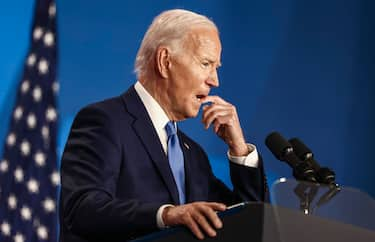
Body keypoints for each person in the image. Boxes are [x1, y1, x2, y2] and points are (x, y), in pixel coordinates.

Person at [59, 9, 269, 242]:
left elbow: (250, 225)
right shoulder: (105, 121)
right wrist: (165, 215)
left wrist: (239, 150)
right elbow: (81, 209)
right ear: (164, 61)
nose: (214, 80)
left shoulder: (194, 156)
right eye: (206, 63)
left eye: (215, 67)